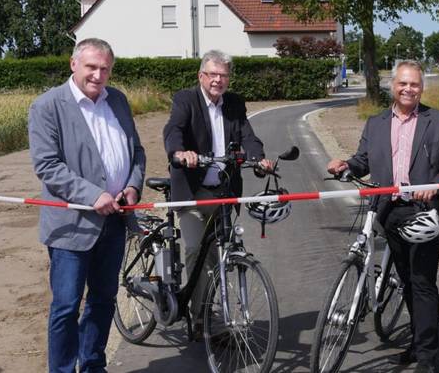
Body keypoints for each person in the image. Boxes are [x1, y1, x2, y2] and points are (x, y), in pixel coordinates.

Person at [327, 60, 439, 373]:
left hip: (424, 213)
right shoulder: (375, 123)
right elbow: (363, 160)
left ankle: (428, 356)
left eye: (414, 84)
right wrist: (345, 165)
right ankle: (417, 342)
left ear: (422, 87)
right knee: (405, 280)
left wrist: (435, 185)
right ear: (393, 86)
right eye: (403, 83)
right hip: (389, 212)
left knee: (422, 282)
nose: (408, 89)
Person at [28, 38, 146, 373]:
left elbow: (136, 151)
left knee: (103, 300)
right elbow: (48, 165)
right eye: (91, 67)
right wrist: (91, 194)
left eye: (104, 68)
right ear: (73, 64)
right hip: (71, 227)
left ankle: (93, 365)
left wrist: (133, 186)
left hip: (116, 221)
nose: (97, 75)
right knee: (66, 306)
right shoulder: (48, 106)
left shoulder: (118, 101)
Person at [163, 49, 272, 337]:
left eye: (223, 75)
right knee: (197, 250)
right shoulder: (185, 100)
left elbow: (248, 136)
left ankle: (213, 310)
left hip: (223, 193)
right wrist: (179, 152)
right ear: (201, 76)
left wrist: (259, 159)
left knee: (221, 255)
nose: (218, 80)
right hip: (192, 192)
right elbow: (174, 129)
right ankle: (200, 319)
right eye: (212, 74)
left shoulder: (234, 103)